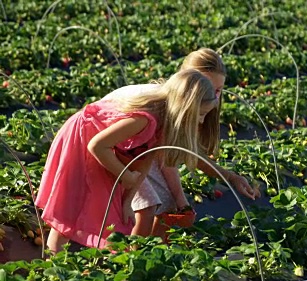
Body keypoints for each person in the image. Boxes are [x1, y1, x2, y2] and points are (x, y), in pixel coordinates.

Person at [35, 69, 217, 253]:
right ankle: (54, 265)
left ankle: (116, 263)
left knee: (113, 211)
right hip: (81, 140)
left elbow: (144, 161)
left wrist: (128, 200)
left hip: (106, 151)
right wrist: (126, 176)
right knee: (70, 207)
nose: (201, 121)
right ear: (184, 108)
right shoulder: (146, 119)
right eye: (200, 115)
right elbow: (97, 146)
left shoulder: (164, 124)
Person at [103, 48, 259, 240]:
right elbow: (167, 156)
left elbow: (175, 154)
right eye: (209, 87)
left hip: (137, 146)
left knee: (167, 203)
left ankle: (153, 255)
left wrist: (228, 177)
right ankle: (129, 258)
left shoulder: (194, 104)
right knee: (147, 206)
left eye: (218, 90)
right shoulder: (161, 106)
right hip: (116, 142)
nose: (214, 96)